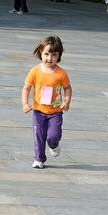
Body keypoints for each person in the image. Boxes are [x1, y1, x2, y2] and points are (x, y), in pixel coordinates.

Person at [21, 36, 72, 169]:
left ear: (59, 55)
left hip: (55, 112)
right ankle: (39, 159)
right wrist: (25, 104)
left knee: (52, 135)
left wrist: (66, 101)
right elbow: (26, 88)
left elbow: (67, 88)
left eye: (54, 55)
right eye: (46, 54)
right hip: (38, 111)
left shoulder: (61, 73)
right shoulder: (35, 71)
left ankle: (54, 144)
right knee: (39, 135)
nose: (49, 58)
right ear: (40, 54)